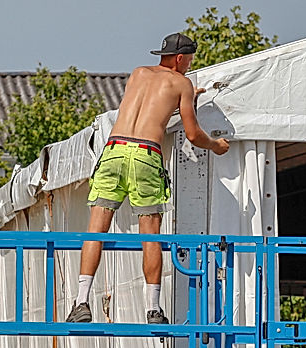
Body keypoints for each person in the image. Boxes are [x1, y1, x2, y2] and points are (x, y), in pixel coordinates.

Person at [68, 32, 231, 325]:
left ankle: (81, 302)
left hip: (114, 150)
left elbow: (149, 107)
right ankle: (153, 309)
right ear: (180, 58)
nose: (190, 65)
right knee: (150, 235)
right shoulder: (182, 83)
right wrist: (215, 145)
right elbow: (192, 134)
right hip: (145, 155)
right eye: (189, 60)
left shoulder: (138, 74)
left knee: (96, 231)